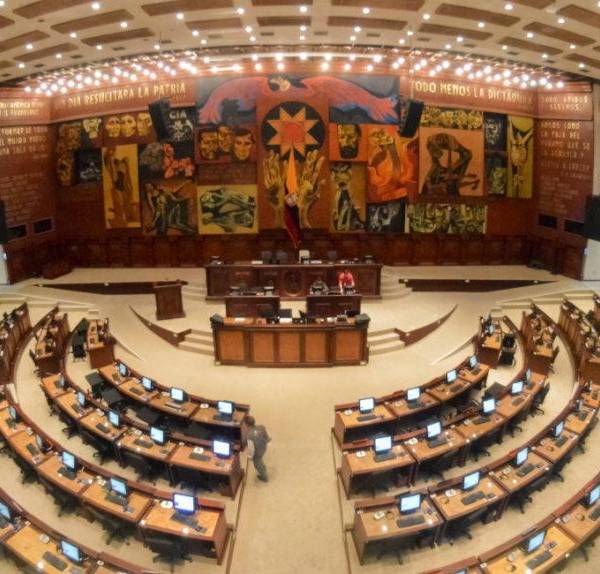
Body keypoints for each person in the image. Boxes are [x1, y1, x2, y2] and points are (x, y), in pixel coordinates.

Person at [244, 415, 271, 482]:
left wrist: (250, 456)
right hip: (263, 447)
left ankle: (264, 477)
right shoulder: (262, 427)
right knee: (260, 460)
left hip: (257, 453)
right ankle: (263, 467)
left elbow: (251, 449)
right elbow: (267, 437)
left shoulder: (249, 435)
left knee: (257, 464)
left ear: (247, 425)